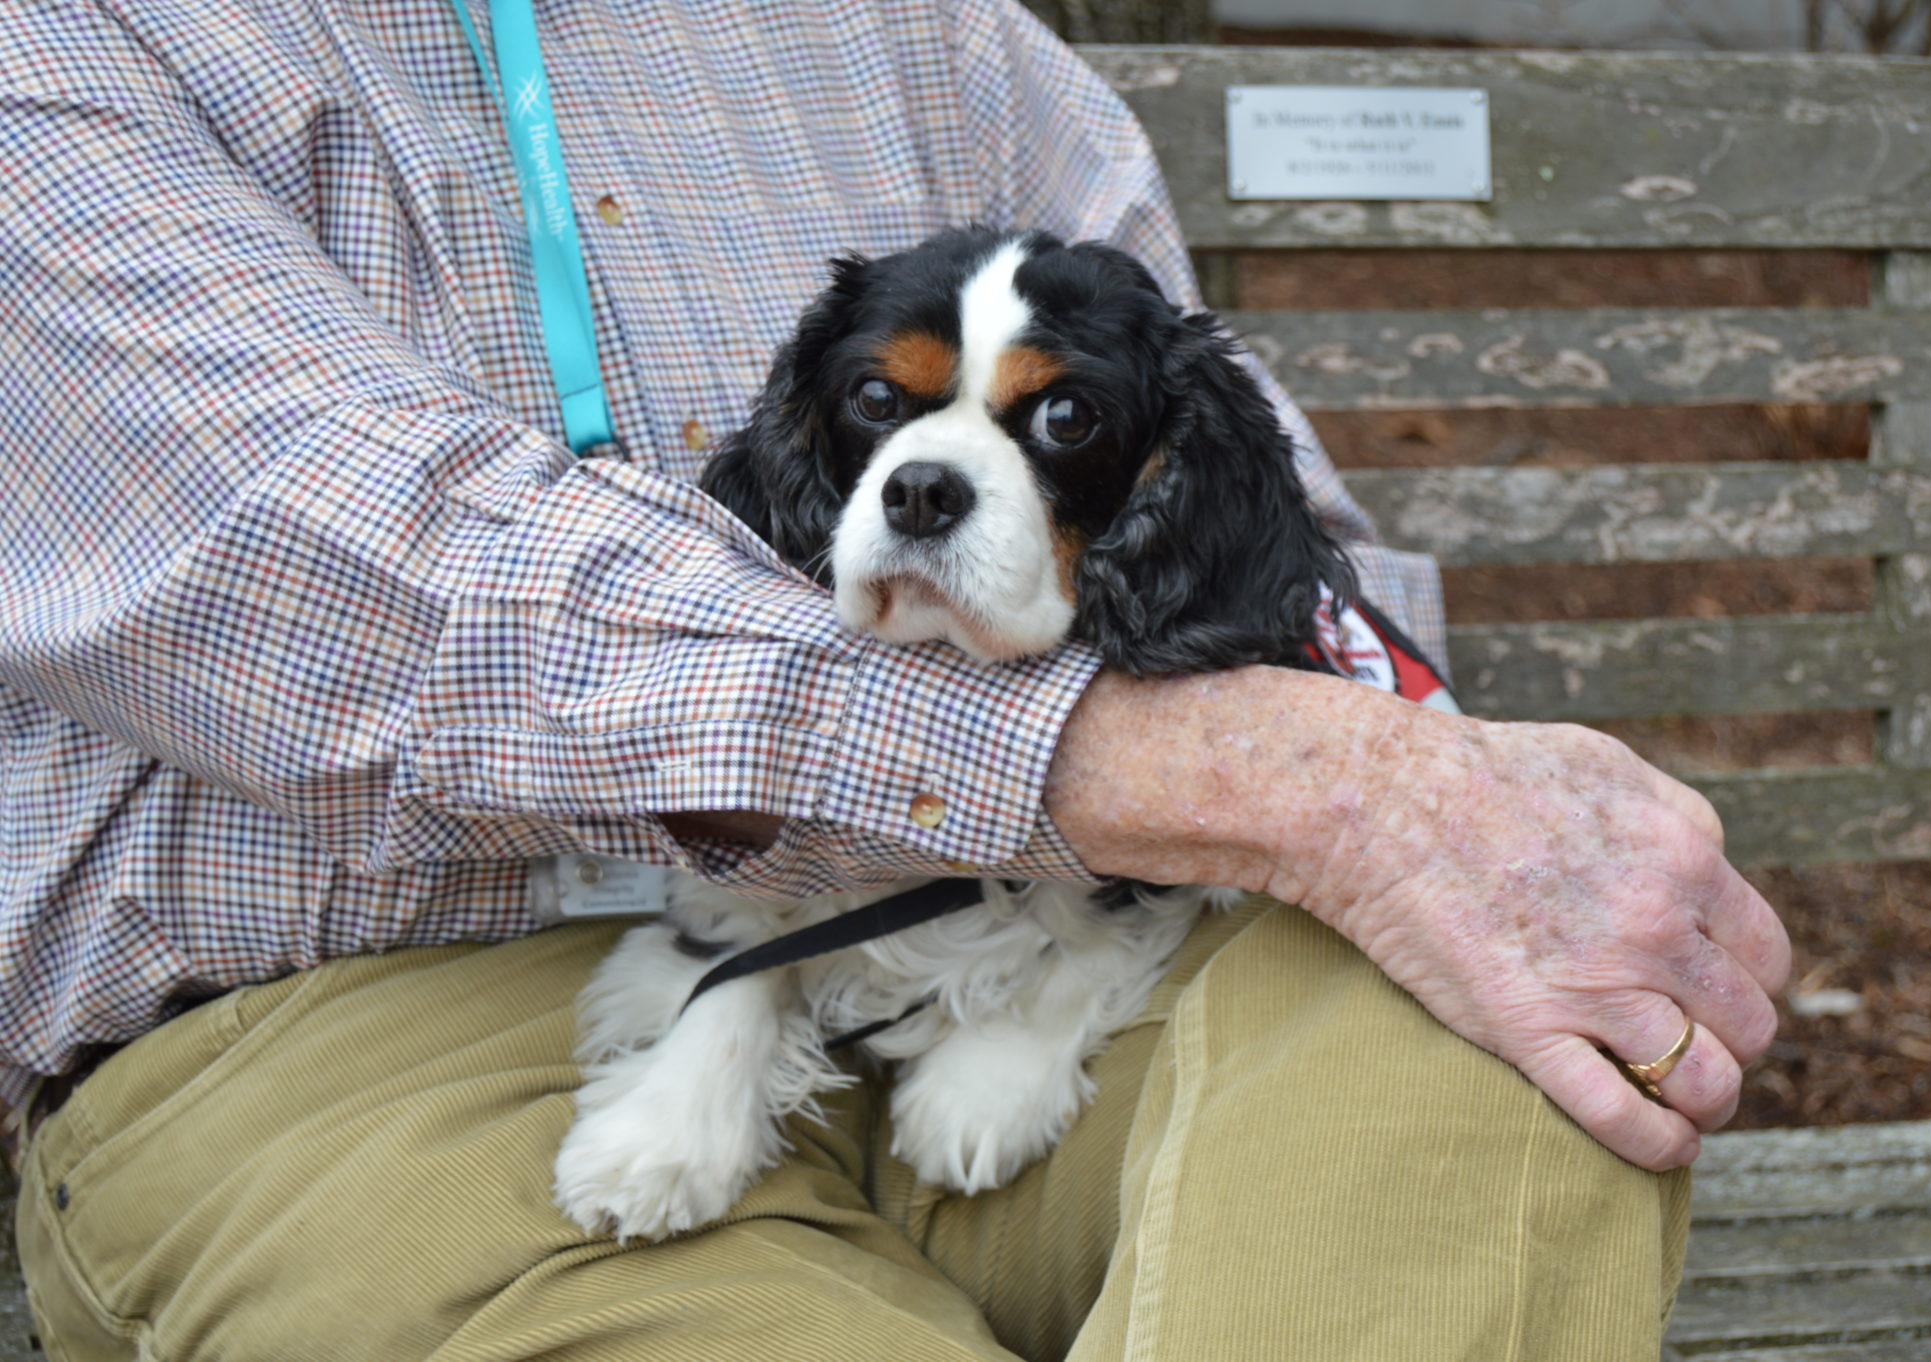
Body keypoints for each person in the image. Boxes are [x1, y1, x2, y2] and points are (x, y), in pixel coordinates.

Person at [0, 2, 1789, 1358]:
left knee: (1496, 1054)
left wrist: (1418, 798)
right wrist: (1213, 768)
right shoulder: (75, 43)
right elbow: (344, 571)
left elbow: (1252, 532)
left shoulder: (934, 30)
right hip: (366, 1023)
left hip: (1060, 945)